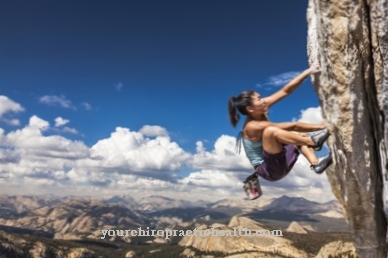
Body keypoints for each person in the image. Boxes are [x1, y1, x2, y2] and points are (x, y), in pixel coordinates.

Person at [228, 63, 333, 185]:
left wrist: (307, 72)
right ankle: (313, 142)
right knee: (271, 131)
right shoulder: (252, 126)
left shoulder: (260, 108)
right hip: (269, 170)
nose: (263, 101)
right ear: (250, 109)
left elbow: (285, 91)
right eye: (259, 99)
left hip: (279, 157)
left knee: (296, 134)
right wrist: (319, 127)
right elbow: (291, 125)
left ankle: (316, 164)